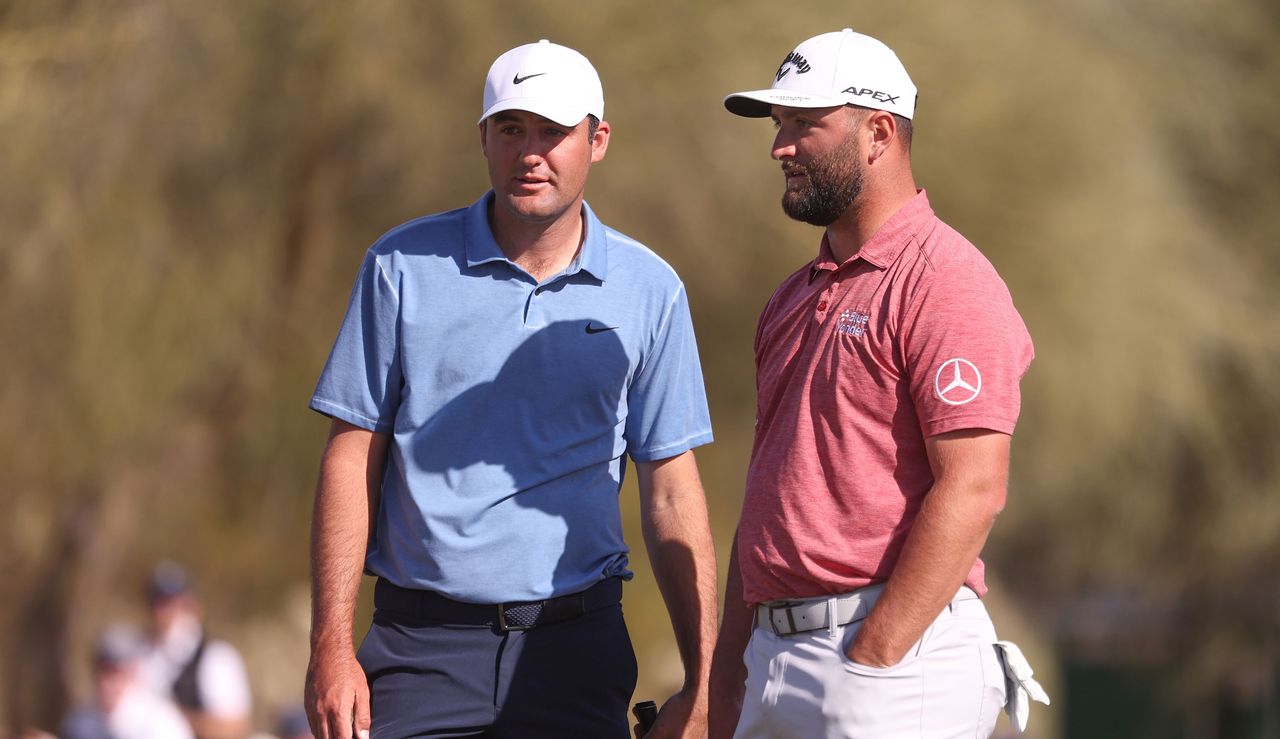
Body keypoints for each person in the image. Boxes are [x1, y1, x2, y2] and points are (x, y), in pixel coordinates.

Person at [304, 39, 718, 739]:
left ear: (598, 139)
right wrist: (329, 647)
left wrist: (705, 682)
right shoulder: (400, 266)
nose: (532, 152)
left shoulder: (652, 290)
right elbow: (351, 459)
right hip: (418, 647)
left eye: (554, 132)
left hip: (575, 649)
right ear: (484, 139)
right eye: (511, 129)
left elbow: (673, 492)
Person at [708, 29, 1048, 738]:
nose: (781, 147)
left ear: (879, 132)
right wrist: (725, 670)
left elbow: (975, 486)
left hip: (887, 661)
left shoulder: (946, 279)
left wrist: (875, 652)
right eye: (779, 125)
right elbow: (770, 498)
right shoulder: (792, 296)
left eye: (805, 124)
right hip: (775, 656)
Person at [137, 561, 253, 739]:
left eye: (171, 603)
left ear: (192, 605)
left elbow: (234, 728)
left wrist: (170, 718)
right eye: (157, 603)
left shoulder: (217, 658)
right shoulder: (138, 655)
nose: (163, 613)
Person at [60, 624, 195, 739]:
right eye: (101, 671)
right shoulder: (80, 720)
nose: (105, 681)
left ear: (132, 673)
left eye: (115, 672)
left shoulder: (160, 720)